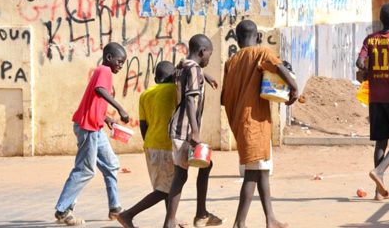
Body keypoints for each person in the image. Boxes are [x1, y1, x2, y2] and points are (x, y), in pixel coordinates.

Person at [221, 20, 298, 228]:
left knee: (262, 170)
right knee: (253, 172)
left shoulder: (231, 61)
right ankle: (239, 222)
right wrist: (294, 87)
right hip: (253, 121)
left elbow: (223, 97)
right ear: (257, 37)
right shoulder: (261, 53)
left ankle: (270, 218)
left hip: (241, 121)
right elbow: (279, 67)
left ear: (237, 40)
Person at [54, 42, 129, 225]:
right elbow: (99, 91)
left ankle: (115, 208)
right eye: (119, 61)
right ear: (109, 58)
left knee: (111, 165)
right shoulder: (104, 70)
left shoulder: (103, 72)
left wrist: (107, 118)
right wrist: (120, 109)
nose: (121, 65)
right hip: (88, 128)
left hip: (95, 127)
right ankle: (63, 210)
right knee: (85, 170)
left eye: (123, 63)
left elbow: (94, 102)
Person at [163, 34, 224, 228]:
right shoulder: (194, 69)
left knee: (206, 165)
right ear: (202, 52)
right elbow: (190, 99)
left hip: (180, 128)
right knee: (181, 176)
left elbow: (185, 68)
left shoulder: (184, 67)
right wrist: (195, 132)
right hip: (184, 130)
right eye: (209, 55)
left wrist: (205, 75)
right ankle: (171, 222)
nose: (209, 59)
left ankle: (201, 214)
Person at [356, 2, 389, 201]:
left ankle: (379, 192)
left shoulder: (370, 39)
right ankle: (379, 171)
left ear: (381, 20)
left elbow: (359, 62)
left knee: (381, 141)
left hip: (375, 98)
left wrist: (364, 68)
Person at [117, 61, 178, 228]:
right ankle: (128, 214)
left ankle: (170, 220)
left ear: (156, 77)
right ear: (174, 76)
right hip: (167, 145)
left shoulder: (145, 94)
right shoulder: (175, 90)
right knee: (166, 189)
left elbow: (143, 125)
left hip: (151, 144)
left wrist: (150, 143)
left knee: (166, 185)